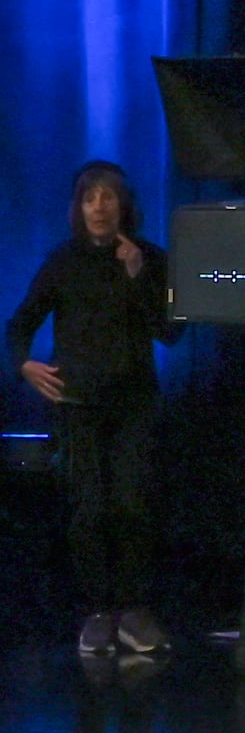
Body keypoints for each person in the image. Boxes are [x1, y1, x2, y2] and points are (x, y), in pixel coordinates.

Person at [6, 160, 184, 655]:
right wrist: (25, 365)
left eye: (108, 197)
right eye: (90, 198)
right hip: (79, 406)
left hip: (134, 406)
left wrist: (136, 276)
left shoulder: (150, 259)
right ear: (79, 207)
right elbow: (19, 324)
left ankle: (133, 610)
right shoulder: (63, 262)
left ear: (123, 204)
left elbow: (171, 331)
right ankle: (97, 614)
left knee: (132, 506)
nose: (99, 207)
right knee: (88, 512)